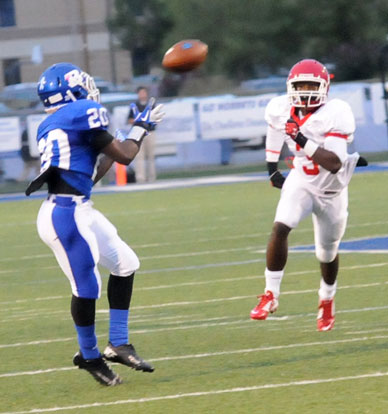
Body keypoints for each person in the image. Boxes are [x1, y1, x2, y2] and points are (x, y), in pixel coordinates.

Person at [25, 62, 164, 385]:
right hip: (65, 214)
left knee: (126, 264)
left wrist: (121, 141)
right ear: (71, 90)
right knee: (87, 287)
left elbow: (89, 175)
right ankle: (89, 356)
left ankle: (117, 343)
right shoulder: (83, 111)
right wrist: (140, 129)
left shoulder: (52, 123)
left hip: (76, 207)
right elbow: (127, 155)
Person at [250, 59, 367, 331]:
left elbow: (335, 162)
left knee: (326, 253)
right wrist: (271, 168)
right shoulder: (280, 108)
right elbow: (274, 131)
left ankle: (326, 299)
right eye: (300, 85)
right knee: (281, 226)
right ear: (290, 87)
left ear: (325, 87)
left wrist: (302, 139)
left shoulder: (336, 111)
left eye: (311, 85)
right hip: (301, 180)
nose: (305, 91)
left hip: (332, 190)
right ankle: (270, 294)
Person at [128, 86, 157, 183]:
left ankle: (152, 177)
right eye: (140, 93)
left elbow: (156, 119)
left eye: (143, 93)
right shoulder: (134, 106)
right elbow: (130, 119)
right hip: (138, 133)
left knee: (151, 156)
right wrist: (139, 120)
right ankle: (140, 178)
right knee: (139, 157)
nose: (142, 95)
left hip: (149, 132)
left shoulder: (151, 105)